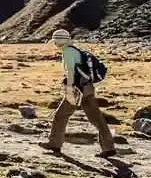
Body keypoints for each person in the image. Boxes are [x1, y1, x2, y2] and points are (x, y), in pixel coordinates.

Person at [39, 29, 116, 158]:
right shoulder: (75, 50)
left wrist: (69, 90)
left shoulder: (67, 52)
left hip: (77, 89)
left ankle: (54, 144)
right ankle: (109, 147)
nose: (55, 44)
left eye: (55, 41)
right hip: (88, 87)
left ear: (60, 40)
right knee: (97, 119)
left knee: (61, 115)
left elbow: (70, 74)